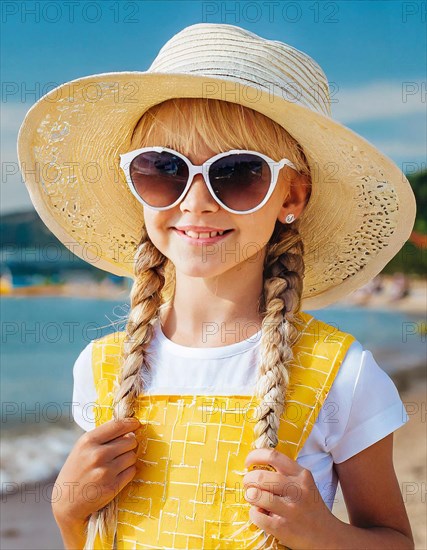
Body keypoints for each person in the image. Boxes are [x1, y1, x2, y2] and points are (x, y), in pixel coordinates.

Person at [17, 23, 416, 550]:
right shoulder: (100, 371)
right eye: (163, 169)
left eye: (238, 173)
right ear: (136, 186)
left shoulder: (342, 374)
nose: (196, 201)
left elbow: (394, 540)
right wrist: (68, 512)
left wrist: (322, 533)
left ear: (291, 196)